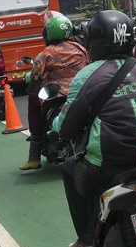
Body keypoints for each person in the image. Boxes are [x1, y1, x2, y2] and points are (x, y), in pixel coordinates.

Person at [53, 10, 136, 247]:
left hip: (109, 166)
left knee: (69, 168)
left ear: (92, 43)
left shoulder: (87, 75)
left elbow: (67, 128)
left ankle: (87, 237)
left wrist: (57, 125)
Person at [20, 11, 89, 170]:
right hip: (81, 90)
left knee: (33, 101)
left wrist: (29, 77)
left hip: (56, 93)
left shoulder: (47, 53)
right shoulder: (80, 49)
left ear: (49, 32)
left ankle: (34, 156)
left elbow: (36, 74)